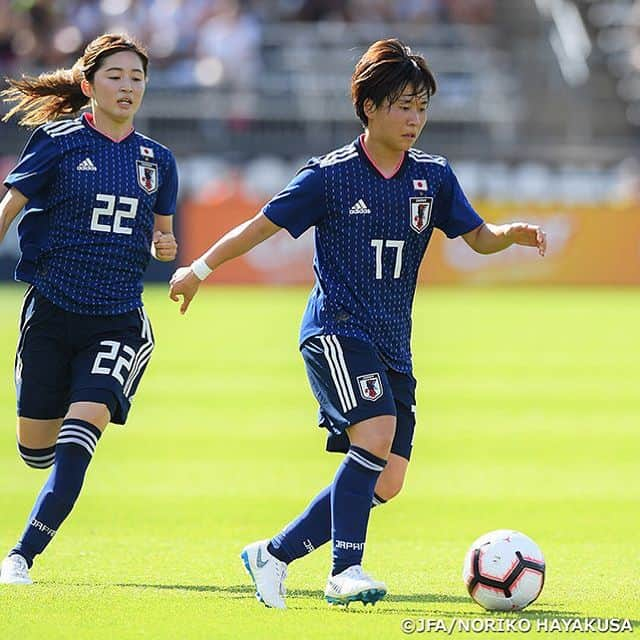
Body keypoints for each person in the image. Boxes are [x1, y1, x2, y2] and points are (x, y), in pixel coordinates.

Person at [169, 38, 547, 608]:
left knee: (387, 479)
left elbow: (476, 237)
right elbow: (259, 227)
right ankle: (345, 571)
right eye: (402, 105)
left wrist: (507, 234)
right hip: (336, 330)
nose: (414, 118)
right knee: (372, 437)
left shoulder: (434, 177)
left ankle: (272, 554)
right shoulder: (329, 176)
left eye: (421, 106)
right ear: (369, 107)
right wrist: (198, 268)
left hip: (393, 342)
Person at [0, 33, 179, 584]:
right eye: (116, 76)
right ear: (88, 85)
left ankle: (19, 557)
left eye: (137, 77)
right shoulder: (57, 141)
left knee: (78, 443)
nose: (128, 86)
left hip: (120, 321)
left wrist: (165, 247)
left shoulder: (158, 161)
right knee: (36, 451)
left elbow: (163, 235)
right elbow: (9, 208)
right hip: (52, 314)